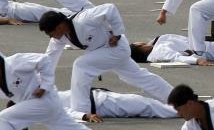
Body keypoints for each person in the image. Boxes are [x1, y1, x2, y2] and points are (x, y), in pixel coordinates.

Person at [0, 49, 127, 130]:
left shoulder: (15, 62)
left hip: (44, 100)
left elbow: (44, 60)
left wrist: (45, 86)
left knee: (4, 119)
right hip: (40, 105)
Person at [39, 7, 173, 117]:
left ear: (59, 26)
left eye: (49, 33)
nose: (50, 36)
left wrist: (117, 33)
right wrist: (41, 84)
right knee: (139, 77)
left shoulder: (84, 19)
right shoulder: (59, 39)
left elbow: (110, 9)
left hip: (116, 48)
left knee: (81, 65)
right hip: (106, 53)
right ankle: (178, 99)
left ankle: (81, 110)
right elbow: (49, 59)